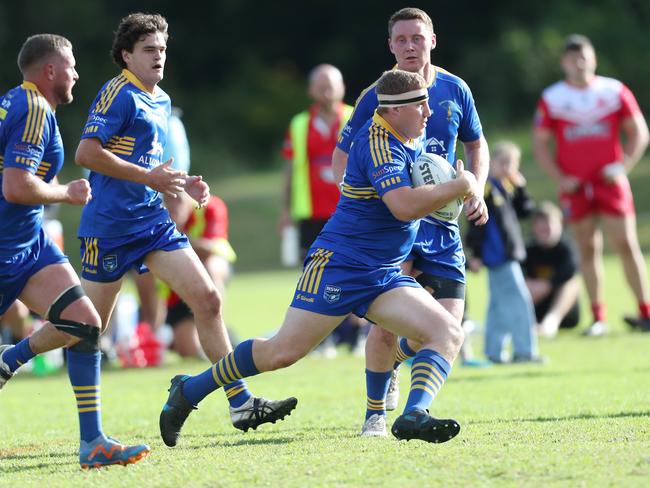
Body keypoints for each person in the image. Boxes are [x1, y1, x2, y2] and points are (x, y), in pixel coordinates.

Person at [159, 69, 479, 446]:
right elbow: (403, 206)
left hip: (381, 273)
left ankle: (414, 413)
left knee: (446, 332)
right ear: (392, 110)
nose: (428, 112)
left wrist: (446, 195)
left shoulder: (409, 135)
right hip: (337, 267)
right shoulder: (378, 143)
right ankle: (189, 390)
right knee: (282, 352)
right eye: (419, 104)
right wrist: (457, 187)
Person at [73, 13, 296, 444]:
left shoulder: (161, 99)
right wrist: (149, 178)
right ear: (126, 55)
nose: (158, 58)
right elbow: (86, 153)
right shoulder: (117, 93)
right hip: (109, 228)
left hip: (152, 223)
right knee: (84, 331)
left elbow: (155, 164)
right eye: (149, 51)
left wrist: (185, 182)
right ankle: (16, 356)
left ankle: (240, 401)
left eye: (162, 50)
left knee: (208, 299)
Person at [331, 7, 489, 436]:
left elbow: (477, 146)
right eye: (400, 40)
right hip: (395, 230)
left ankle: (412, 404)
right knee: (384, 329)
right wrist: (373, 199)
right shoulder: (375, 96)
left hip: (443, 231)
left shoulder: (455, 90)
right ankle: (375, 416)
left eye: (416, 38)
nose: (409, 46)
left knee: (443, 331)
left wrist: (476, 188)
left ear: (432, 41)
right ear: (390, 46)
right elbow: (339, 161)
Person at [0, 33, 150, 468]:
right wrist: (67, 192)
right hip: (7, 246)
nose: (77, 74)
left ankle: (94, 442)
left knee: (84, 322)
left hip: (28, 245)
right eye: (71, 65)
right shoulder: (32, 108)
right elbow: (16, 187)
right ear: (50, 71)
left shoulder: (20, 103)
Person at [533, 34, 650, 335]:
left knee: (626, 244)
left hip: (610, 183)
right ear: (563, 63)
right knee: (587, 248)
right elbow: (540, 145)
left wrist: (623, 166)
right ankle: (599, 317)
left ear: (594, 59)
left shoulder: (614, 91)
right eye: (572, 57)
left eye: (583, 56)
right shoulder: (553, 97)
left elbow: (639, 132)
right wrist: (560, 178)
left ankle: (645, 311)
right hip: (576, 187)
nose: (579, 62)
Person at [281, 64, 366, 357]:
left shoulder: (357, 115)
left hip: (352, 209)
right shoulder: (299, 124)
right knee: (314, 276)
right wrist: (285, 210)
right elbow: (291, 169)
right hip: (312, 213)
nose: (326, 89)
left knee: (357, 271)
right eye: (320, 84)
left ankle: (358, 334)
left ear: (343, 87)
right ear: (310, 90)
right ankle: (321, 340)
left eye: (331, 84)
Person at [465, 141, 541, 363]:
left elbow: (526, 211)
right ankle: (525, 351)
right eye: (503, 162)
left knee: (498, 305)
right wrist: (476, 253)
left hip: (506, 256)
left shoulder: (506, 188)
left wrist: (520, 187)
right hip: (498, 257)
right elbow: (475, 223)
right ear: (491, 162)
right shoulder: (486, 188)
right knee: (519, 301)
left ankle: (493, 352)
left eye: (513, 164)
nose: (508, 168)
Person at [164, 192, 237, 357]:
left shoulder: (209, 206)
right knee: (189, 353)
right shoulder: (156, 215)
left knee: (209, 265)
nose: (173, 205)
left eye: (178, 199)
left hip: (212, 271)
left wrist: (173, 233)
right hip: (176, 285)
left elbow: (209, 249)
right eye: (168, 199)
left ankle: (218, 328)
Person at [523, 201, 581, 338]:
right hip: (536, 307)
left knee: (572, 284)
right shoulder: (528, 251)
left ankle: (551, 323)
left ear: (559, 224)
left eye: (548, 223)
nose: (544, 228)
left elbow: (570, 270)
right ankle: (518, 322)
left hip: (564, 314)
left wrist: (547, 285)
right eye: (539, 224)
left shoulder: (566, 249)